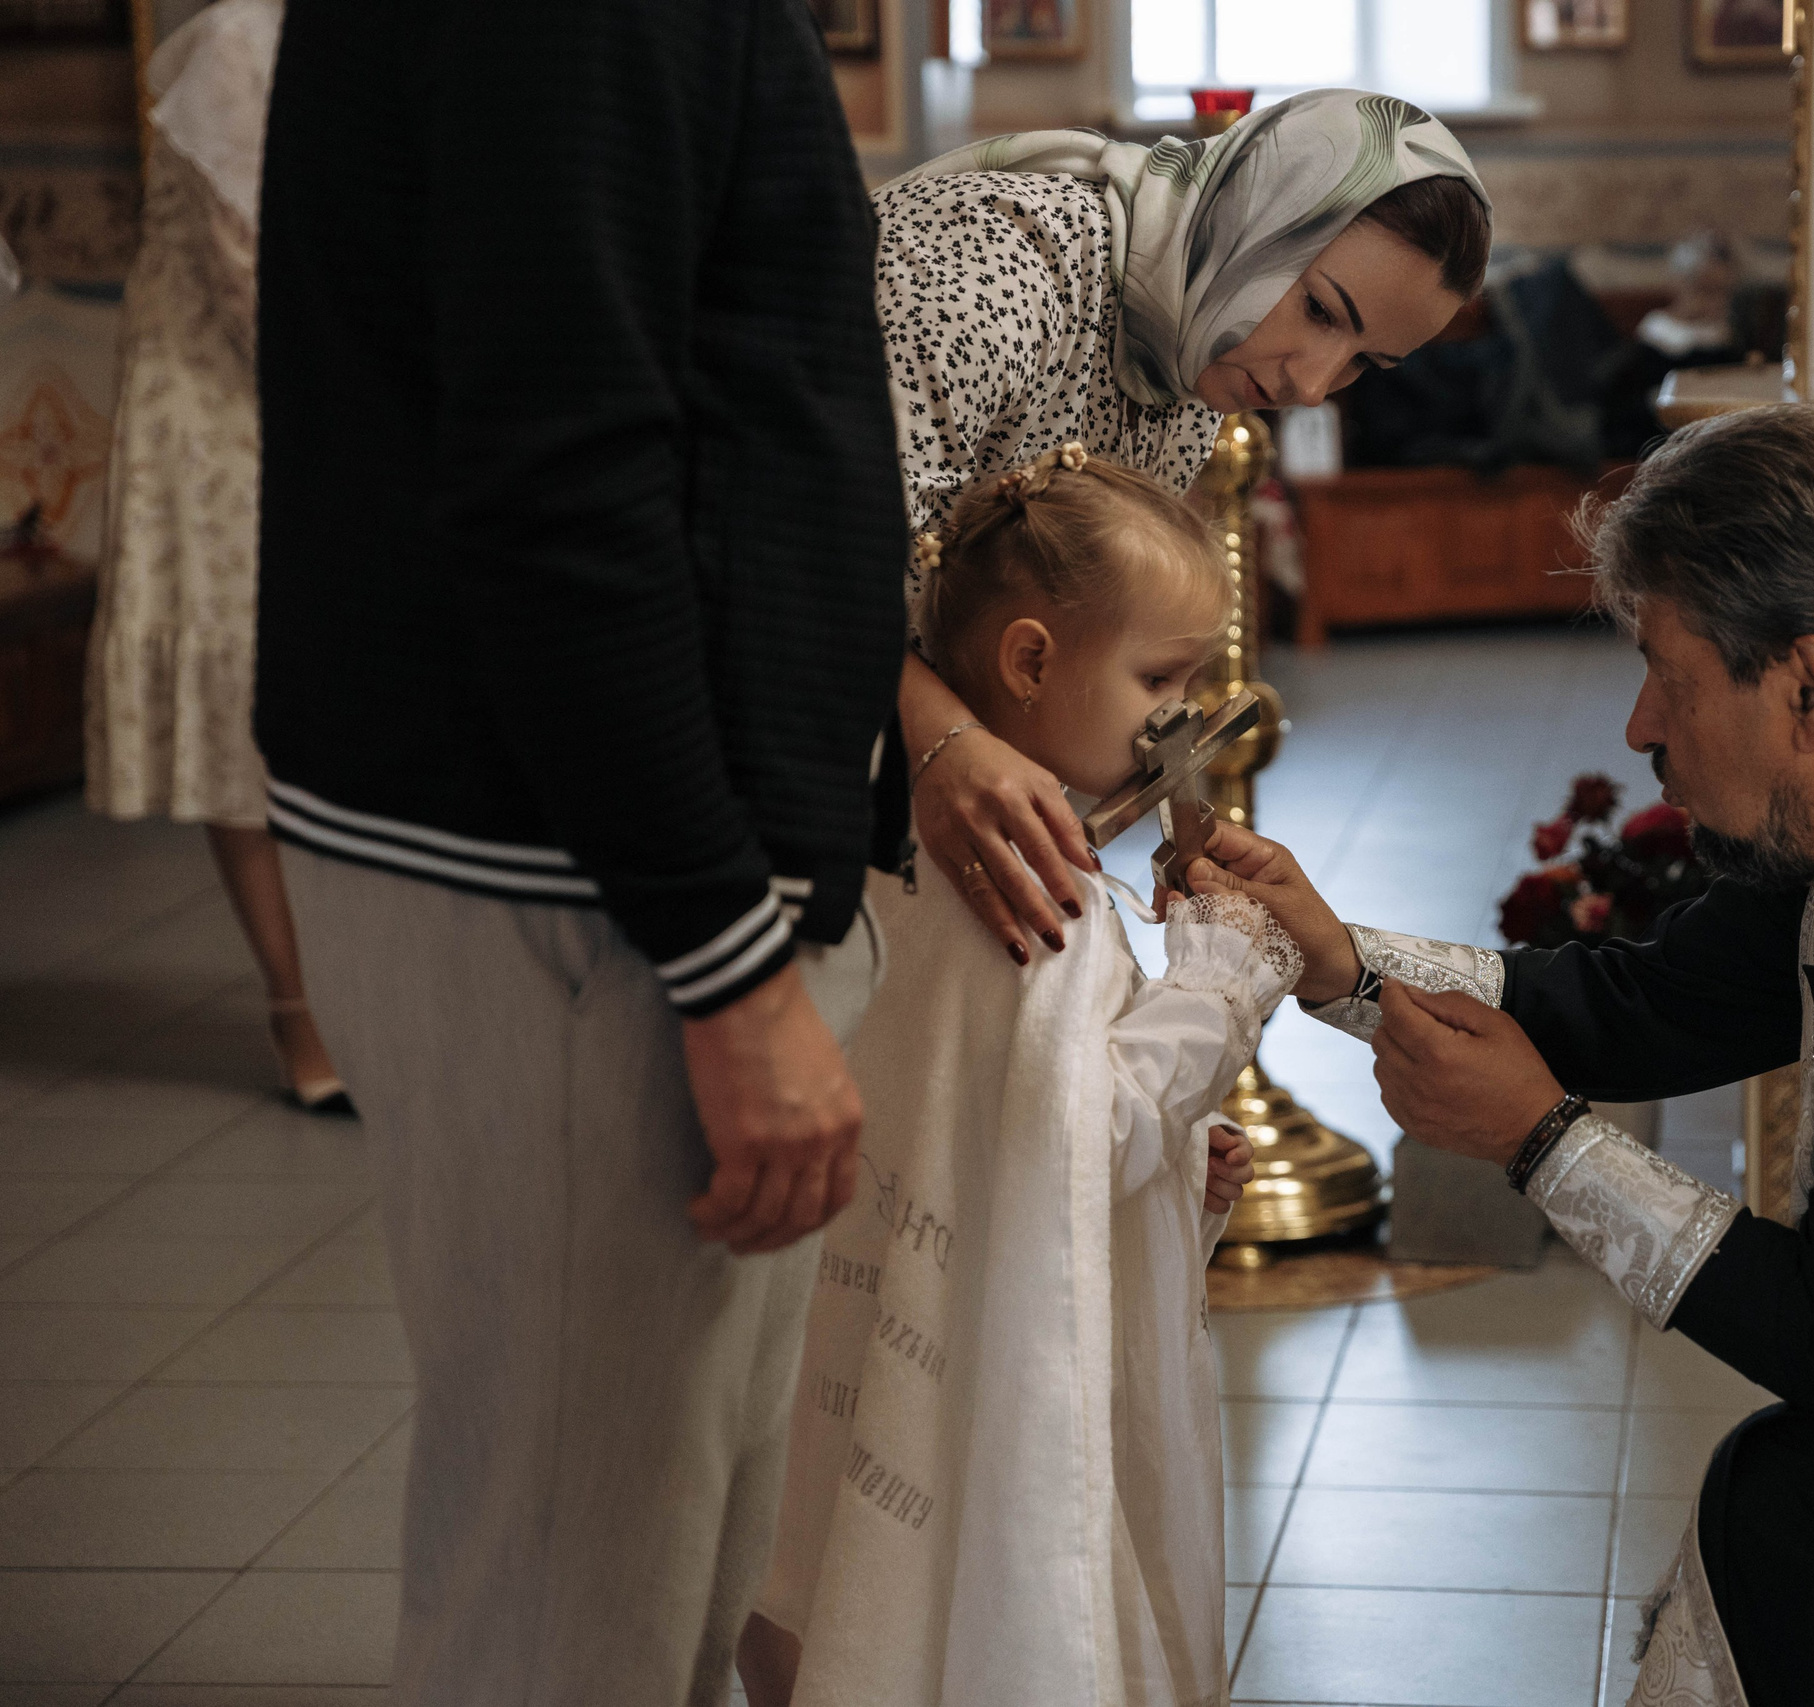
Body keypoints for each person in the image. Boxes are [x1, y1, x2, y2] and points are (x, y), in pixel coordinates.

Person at [251, 2, 908, 1703]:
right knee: (568, 1608)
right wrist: (725, 955)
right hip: (571, 873)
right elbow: (563, 482)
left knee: (662, 1573)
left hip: (600, 860)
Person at [1193, 404, 1814, 1707]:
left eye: (1667, 670)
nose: (1641, 724)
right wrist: (1337, 960)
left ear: (1809, 686)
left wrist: (1539, 1138)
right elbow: (1641, 1005)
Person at [747, 444, 1294, 1707]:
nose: (1178, 720)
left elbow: (996, 1128)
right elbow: (1082, 1137)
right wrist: (1222, 985)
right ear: (1033, 660)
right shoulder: (1038, 880)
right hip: (997, 1396)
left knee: (827, 1579)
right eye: (1159, 678)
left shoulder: (892, 835)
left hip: (866, 1313)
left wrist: (1182, 1179)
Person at [870, 89, 1491, 962]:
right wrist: (945, 745)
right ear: (1254, 215)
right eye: (1319, 311)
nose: (1312, 385)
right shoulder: (1000, 261)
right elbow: (799, 548)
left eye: (1364, 364)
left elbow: (1056, 622)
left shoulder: (1185, 358)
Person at [82, 0, 350, 1111]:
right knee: (242, 713)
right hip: (228, 424)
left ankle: (352, 993)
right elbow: (261, 282)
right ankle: (301, 1011)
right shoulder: (241, 43)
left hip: (326, 413)